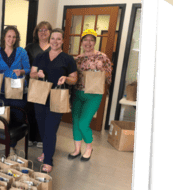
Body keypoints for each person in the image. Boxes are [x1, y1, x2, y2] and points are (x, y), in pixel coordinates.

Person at [30, 28, 78, 173]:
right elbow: (32, 74)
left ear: (63, 41)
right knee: (43, 128)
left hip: (57, 98)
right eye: (53, 38)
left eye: (58, 39)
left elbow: (74, 79)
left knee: (50, 130)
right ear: (49, 40)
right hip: (40, 98)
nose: (55, 41)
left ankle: (48, 160)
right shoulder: (40, 56)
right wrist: (37, 74)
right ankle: (46, 151)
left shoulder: (68, 59)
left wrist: (66, 78)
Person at [68, 28, 113, 161]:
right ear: (81, 42)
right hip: (78, 93)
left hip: (93, 95)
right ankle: (77, 149)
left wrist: (101, 71)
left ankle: (89, 147)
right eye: (85, 40)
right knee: (75, 122)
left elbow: (109, 77)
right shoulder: (77, 59)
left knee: (83, 123)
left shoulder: (102, 57)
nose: (88, 43)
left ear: (95, 42)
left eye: (91, 40)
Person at [0, 26, 31, 151]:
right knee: (3, 118)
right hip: (1, 92)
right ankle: (4, 141)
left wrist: (21, 71)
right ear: (4, 37)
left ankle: (12, 145)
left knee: (17, 117)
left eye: (14, 37)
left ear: (16, 39)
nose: (11, 39)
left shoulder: (21, 52)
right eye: (9, 36)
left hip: (17, 91)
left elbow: (28, 69)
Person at [25, 21, 52, 148]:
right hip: (33, 84)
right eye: (40, 30)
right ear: (36, 32)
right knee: (32, 112)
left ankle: (41, 138)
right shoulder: (30, 47)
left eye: (46, 30)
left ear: (50, 32)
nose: (43, 32)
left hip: (48, 85)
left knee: (45, 113)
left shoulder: (54, 47)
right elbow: (24, 64)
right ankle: (30, 138)